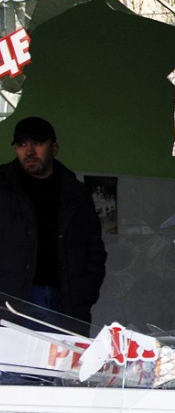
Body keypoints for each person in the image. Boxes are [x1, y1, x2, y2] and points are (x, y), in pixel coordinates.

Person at [0, 116, 107, 326]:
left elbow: (94, 251)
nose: (29, 151)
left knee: (62, 359)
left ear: (54, 147)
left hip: (65, 302)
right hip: (10, 302)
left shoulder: (75, 193)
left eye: (37, 143)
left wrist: (84, 295)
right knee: (13, 359)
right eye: (22, 144)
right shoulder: (3, 186)